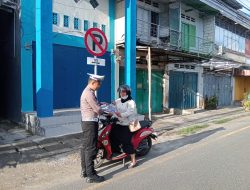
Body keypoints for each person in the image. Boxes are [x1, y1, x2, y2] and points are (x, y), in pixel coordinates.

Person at [80, 73, 105, 183]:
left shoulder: (88, 92)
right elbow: (97, 109)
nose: (99, 86)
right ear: (93, 82)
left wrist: (101, 104)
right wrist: (106, 111)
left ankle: (85, 171)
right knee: (91, 148)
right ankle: (91, 175)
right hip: (90, 123)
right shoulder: (89, 93)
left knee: (85, 147)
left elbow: (95, 104)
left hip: (87, 122)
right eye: (98, 84)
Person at [110, 85, 138, 169]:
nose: (122, 93)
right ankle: (117, 152)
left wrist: (120, 114)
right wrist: (109, 109)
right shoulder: (118, 100)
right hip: (119, 122)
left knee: (126, 141)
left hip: (129, 124)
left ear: (128, 92)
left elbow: (130, 112)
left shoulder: (131, 102)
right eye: (120, 92)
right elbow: (113, 107)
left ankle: (133, 160)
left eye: (124, 92)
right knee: (112, 135)